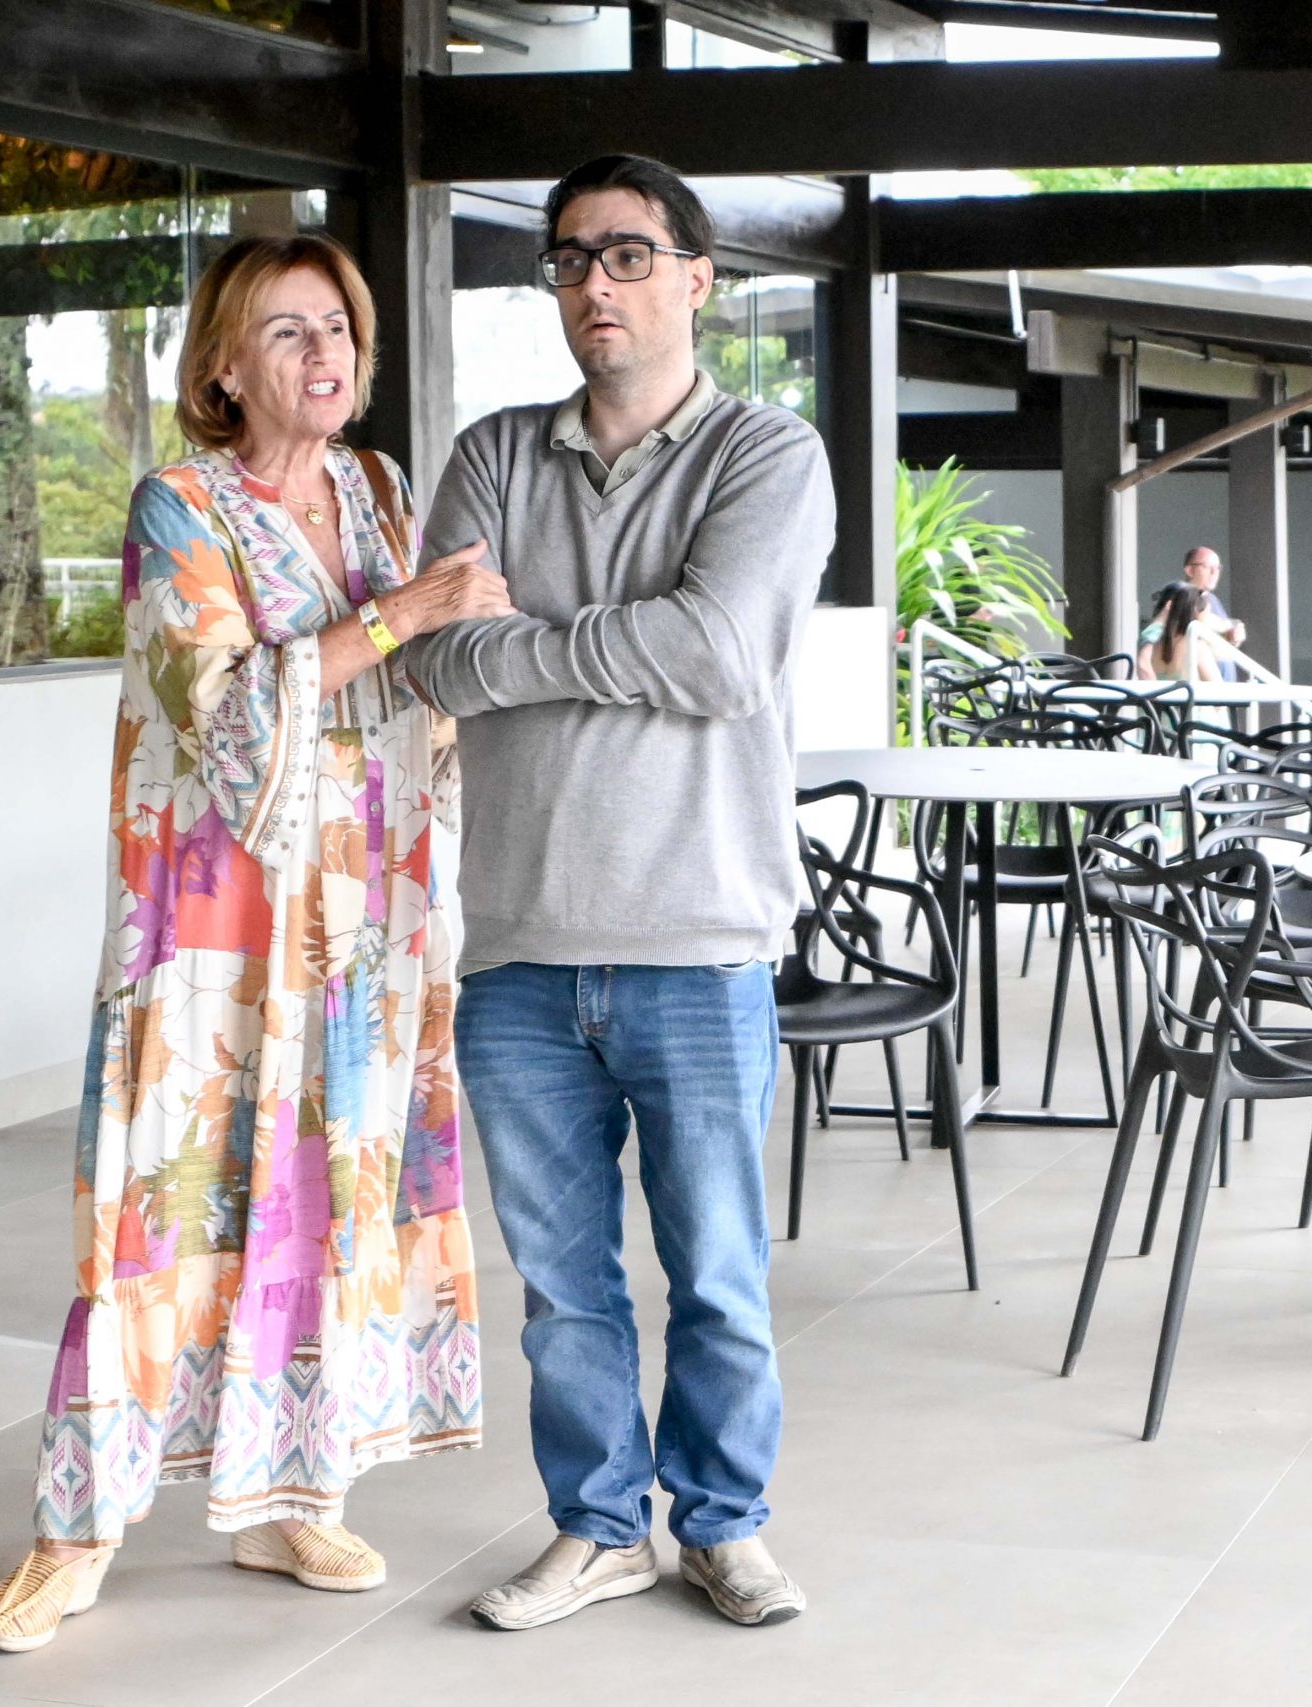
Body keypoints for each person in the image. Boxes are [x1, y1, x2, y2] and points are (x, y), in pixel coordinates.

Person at [0, 233, 511, 1654]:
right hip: (214, 924)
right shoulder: (182, 504)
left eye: (336, 324)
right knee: (169, 1199)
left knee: (329, 1192)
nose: (321, 351)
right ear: (222, 366)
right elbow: (217, 710)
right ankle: (76, 1531)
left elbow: (425, 680)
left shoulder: (381, 489)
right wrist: (402, 614)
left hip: (369, 920)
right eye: (283, 330)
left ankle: (291, 1491)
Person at [400, 154, 836, 1633]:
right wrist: (614, 638)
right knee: (563, 1286)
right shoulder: (493, 455)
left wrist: (529, 641)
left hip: (700, 939)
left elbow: (723, 654)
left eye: (630, 254)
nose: (597, 282)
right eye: (572, 258)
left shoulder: (766, 454)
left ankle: (725, 1525)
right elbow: (435, 661)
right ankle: (599, 1530)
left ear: (697, 278)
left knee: (716, 1273)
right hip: (519, 948)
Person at [1136, 581, 1224, 683]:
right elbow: (1217, 686)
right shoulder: (1197, 647)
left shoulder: (1156, 645)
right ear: (1197, 613)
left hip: (1161, 693)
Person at [1181, 546, 1247, 678]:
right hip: (1201, 684)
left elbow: (1216, 640)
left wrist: (1233, 636)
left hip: (1222, 682)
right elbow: (1192, 639)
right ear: (1190, 570)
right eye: (1207, 566)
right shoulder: (1181, 600)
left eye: (1217, 568)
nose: (1214, 572)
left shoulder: (1213, 600)